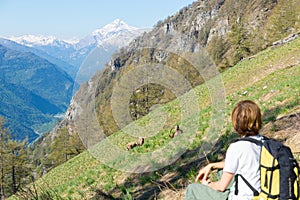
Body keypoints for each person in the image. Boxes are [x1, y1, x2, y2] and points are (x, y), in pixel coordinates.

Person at [185, 100, 264, 200]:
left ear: (236, 122)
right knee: (221, 172)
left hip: (243, 197)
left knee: (192, 189)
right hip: (261, 195)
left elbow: (221, 187)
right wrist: (212, 165)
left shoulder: (237, 147)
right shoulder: (264, 143)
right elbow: (244, 162)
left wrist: (208, 184)